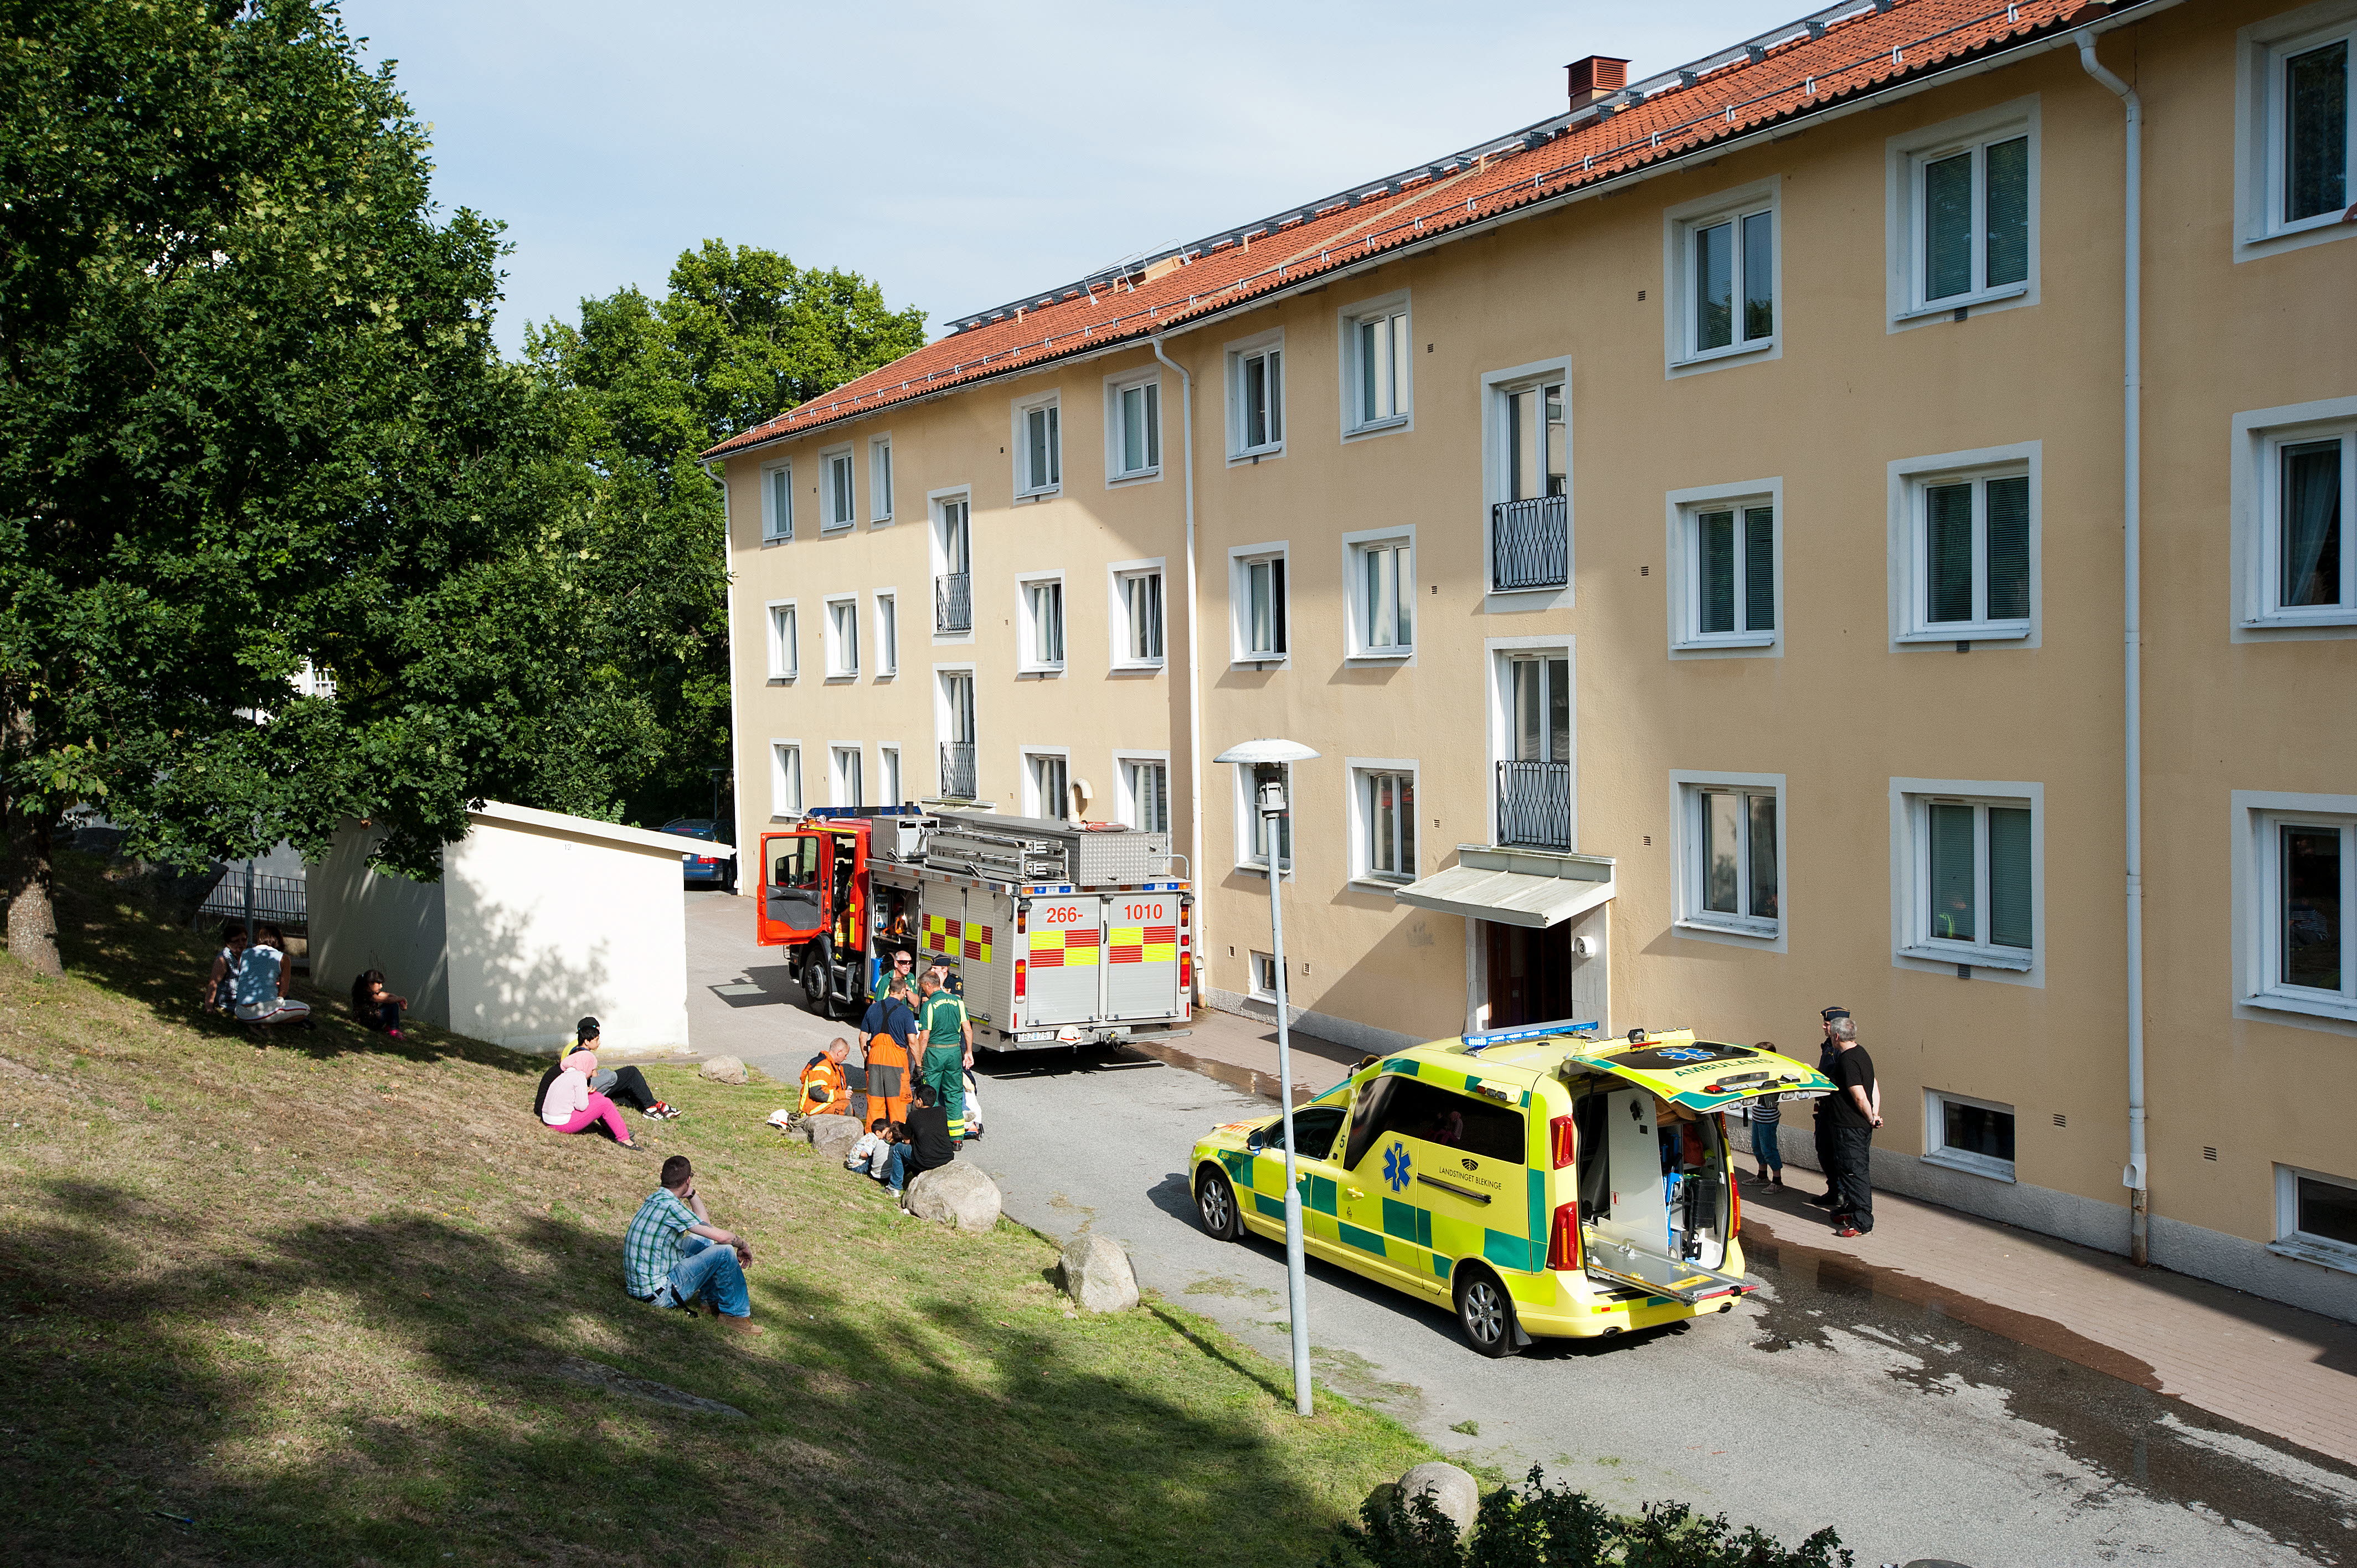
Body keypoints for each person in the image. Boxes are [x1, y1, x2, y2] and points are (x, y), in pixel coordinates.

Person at [623, 1155, 762, 1334]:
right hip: (660, 1294)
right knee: (725, 1251)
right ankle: (735, 1317)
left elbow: (705, 1226)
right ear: (688, 1180)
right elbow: (722, 1238)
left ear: (661, 1176)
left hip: (643, 1287)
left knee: (704, 1240)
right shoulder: (673, 1208)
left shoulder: (656, 1199)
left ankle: (710, 1302)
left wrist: (692, 1194)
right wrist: (743, 1245)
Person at [1824, 1016, 1881, 1237]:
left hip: (1850, 1128)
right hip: (1854, 1126)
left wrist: (1870, 1117)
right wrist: (1874, 1114)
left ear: (1837, 1036)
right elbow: (1874, 1085)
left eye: (1831, 1034)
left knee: (1855, 1173)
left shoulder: (1848, 1060)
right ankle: (1850, 1209)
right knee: (1848, 1171)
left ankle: (1862, 1222)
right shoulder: (1861, 1053)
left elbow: (1859, 1095)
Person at [558, 1018, 680, 1120]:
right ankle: (652, 1106)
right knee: (631, 1073)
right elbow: (589, 1076)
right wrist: (609, 1078)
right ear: (587, 1037)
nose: (599, 1039)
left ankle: (654, 1107)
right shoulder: (583, 1052)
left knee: (628, 1090)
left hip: (579, 1086)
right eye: (597, 1035)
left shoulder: (574, 1046)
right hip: (584, 1089)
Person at [540, 1041, 645, 1148]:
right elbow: (581, 1106)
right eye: (592, 1069)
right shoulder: (579, 1076)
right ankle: (624, 1139)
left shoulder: (565, 1075)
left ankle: (613, 1129)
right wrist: (585, 1096)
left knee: (597, 1096)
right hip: (561, 1124)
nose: (592, 1073)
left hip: (549, 1120)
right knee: (606, 1104)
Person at [916, 971, 972, 1142]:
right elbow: (967, 1029)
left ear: (929, 985)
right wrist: (969, 1052)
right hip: (954, 1052)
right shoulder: (958, 1002)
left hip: (935, 1053)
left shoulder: (929, 1006)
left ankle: (932, 1135)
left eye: (923, 988)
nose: (923, 991)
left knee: (930, 1095)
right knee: (954, 1094)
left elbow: (924, 1037)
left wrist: (919, 1061)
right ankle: (957, 1138)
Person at [860, 976, 919, 1125]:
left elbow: (862, 1038)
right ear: (903, 991)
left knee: (875, 1103)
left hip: (875, 1059)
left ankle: (873, 1134)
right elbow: (913, 1041)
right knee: (897, 1105)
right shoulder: (906, 1012)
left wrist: (867, 1058)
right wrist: (919, 1065)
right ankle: (897, 1134)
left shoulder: (873, 1008)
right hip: (896, 1061)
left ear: (889, 990)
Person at [233, 924, 313, 1030]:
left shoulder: (245, 953)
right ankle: (267, 1023)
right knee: (305, 1009)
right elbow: (283, 992)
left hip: (240, 1012)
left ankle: (262, 1021)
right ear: (279, 940)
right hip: (263, 1010)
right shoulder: (283, 958)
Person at [1807, 1007, 1848, 1210]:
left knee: (1837, 1153)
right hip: (1825, 1107)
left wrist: (1815, 1075)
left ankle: (1841, 1193)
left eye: (1827, 1024)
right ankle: (1833, 1191)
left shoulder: (1842, 1050)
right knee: (1823, 1150)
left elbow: (1836, 1079)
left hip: (1836, 1109)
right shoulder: (1829, 1046)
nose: (1823, 1027)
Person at [900, 1084, 956, 1190]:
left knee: (898, 1149)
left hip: (925, 1162)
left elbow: (906, 1141)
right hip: (946, 1158)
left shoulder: (913, 1116)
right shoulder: (942, 1111)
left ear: (920, 1101)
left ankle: (894, 1187)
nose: (913, 1100)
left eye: (915, 1098)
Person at [1748, 1041, 1785, 1189]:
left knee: (1769, 1150)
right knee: (1757, 1147)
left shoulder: (1774, 1073)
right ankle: (1762, 1175)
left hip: (1768, 1118)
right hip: (1757, 1116)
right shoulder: (1757, 1072)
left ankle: (1777, 1181)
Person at [797, 1038, 860, 1121]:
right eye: (845, 1055)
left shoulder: (833, 1066)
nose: (845, 1058)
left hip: (819, 1106)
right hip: (811, 1109)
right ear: (839, 1053)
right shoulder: (823, 1066)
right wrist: (842, 1095)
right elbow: (817, 1093)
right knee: (845, 1107)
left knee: (848, 1106)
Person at [201, 922, 248, 1015]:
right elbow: (213, 983)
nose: (241, 944)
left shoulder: (252, 951)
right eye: (236, 941)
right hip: (230, 1001)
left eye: (244, 940)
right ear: (228, 944)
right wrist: (209, 1006)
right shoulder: (223, 959)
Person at [349, 969, 408, 1036]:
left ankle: (391, 1027)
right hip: (368, 1023)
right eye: (379, 983)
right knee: (392, 1005)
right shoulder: (366, 994)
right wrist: (400, 999)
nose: (381, 986)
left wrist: (400, 1000)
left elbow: (389, 996)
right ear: (370, 983)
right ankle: (393, 1029)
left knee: (393, 1004)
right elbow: (387, 1000)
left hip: (370, 1021)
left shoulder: (370, 991)